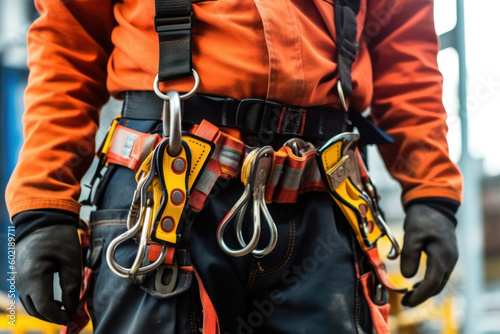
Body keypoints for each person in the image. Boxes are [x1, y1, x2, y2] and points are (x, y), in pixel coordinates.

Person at [6, 0, 462, 333]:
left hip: (323, 203)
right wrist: (44, 208)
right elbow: (67, 43)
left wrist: (431, 194)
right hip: (166, 197)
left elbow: (404, 52)